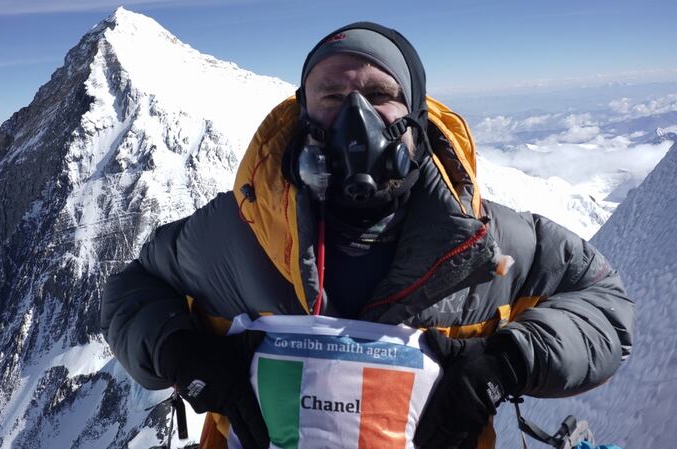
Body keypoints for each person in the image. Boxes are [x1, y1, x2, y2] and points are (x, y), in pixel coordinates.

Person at [100, 22, 635, 449]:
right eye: (331, 95)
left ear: (416, 116)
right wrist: (179, 353)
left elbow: (604, 303)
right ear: (302, 112)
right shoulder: (237, 232)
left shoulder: (484, 244)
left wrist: (507, 362)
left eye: (380, 94)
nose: (356, 116)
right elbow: (134, 286)